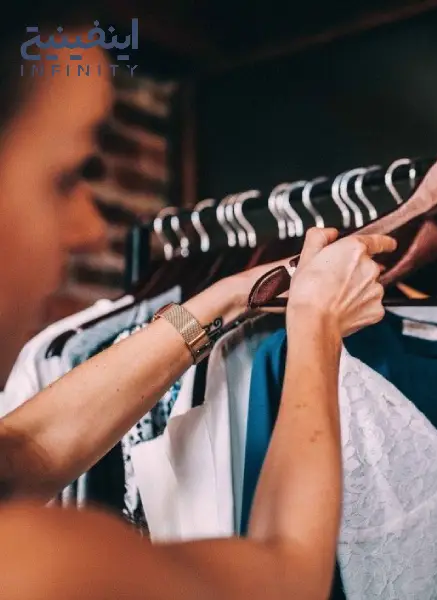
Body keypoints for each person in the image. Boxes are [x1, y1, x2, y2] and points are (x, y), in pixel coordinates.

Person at [0, 7, 396, 599]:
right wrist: (317, 326)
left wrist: (228, 297)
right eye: (66, 174)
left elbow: (27, 450)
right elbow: (286, 576)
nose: (90, 227)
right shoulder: (34, 566)